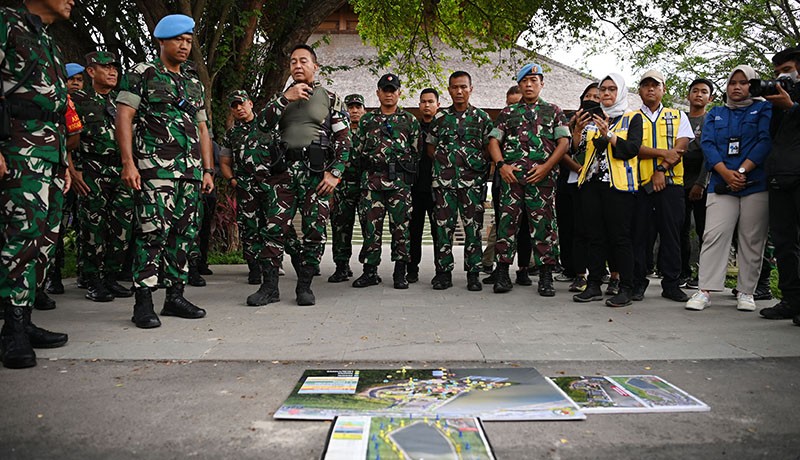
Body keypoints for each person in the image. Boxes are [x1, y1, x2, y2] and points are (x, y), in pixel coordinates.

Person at [116, 14, 215, 328]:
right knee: (152, 233)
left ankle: (175, 297)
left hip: (190, 173)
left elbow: (203, 129)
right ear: (161, 41)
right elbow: (124, 116)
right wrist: (128, 162)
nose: (184, 46)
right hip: (154, 169)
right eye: (178, 40)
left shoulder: (194, 84)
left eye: (188, 41)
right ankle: (143, 302)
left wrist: (208, 170)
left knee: (184, 236)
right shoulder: (142, 73)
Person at [0, 0, 73, 369]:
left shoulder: (47, 40)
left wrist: (64, 162)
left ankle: (24, 319)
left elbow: (55, 108)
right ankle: (11, 329)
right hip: (18, 149)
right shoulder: (6, 23)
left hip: (49, 153)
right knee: (22, 235)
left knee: (44, 240)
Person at [256, 44, 350, 305]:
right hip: (283, 173)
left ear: (315, 66)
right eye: (293, 61)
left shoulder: (329, 98)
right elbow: (260, 126)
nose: (297, 65)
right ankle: (269, 288)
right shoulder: (281, 98)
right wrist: (286, 98)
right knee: (273, 229)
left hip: (316, 174)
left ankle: (305, 287)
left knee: (314, 231)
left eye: (303, 61)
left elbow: (344, 140)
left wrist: (335, 173)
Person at [685, 65, 772, 312]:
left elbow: (765, 141)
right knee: (714, 234)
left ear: (753, 85)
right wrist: (725, 173)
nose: (737, 87)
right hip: (721, 183)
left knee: (752, 238)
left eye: (743, 82)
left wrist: (742, 171)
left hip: (754, 183)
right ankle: (705, 290)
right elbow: (708, 144)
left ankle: (746, 291)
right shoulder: (716, 113)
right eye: (733, 82)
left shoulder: (764, 109)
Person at [487, 63, 570, 295]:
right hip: (512, 180)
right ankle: (502, 272)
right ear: (520, 84)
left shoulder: (553, 111)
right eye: (524, 81)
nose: (529, 85)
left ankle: (546, 275)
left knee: (544, 227)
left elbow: (564, 142)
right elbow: (493, 141)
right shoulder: (508, 113)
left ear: (542, 84)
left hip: (542, 181)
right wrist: (501, 165)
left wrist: (547, 167)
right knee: (506, 225)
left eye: (534, 81)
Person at [572, 73, 642, 307]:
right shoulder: (594, 117)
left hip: (619, 186)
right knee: (594, 236)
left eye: (612, 89)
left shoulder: (632, 117)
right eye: (603, 89)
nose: (606, 93)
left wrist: (609, 134)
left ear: (620, 92)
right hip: (591, 184)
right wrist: (577, 131)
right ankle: (593, 285)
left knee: (620, 238)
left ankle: (626, 288)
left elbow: (632, 149)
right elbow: (578, 150)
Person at [71, 51, 135, 303]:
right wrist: (73, 169)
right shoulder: (78, 100)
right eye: (106, 67)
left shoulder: (122, 103)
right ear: (91, 71)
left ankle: (110, 277)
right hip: (91, 169)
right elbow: (67, 137)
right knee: (92, 226)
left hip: (120, 170)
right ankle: (92, 279)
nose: (112, 72)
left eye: (115, 68)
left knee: (121, 226)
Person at [351, 74, 420, 289]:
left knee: (401, 228)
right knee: (370, 228)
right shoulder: (367, 120)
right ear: (378, 93)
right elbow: (357, 151)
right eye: (385, 90)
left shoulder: (409, 121)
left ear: (399, 93)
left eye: (393, 90)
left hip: (399, 184)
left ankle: (400, 272)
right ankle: (370, 271)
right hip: (372, 183)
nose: (389, 94)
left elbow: (416, 152)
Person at [632, 70, 695, 303]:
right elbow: (631, 148)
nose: (650, 89)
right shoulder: (631, 117)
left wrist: (661, 170)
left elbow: (681, 148)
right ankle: (638, 282)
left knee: (671, 235)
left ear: (663, 89)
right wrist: (662, 153)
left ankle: (671, 284)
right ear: (639, 90)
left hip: (671, 184)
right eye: (646, 85)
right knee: (640, 235)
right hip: (639, 185)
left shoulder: (678, 116)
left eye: (655, 85)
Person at [428, 71, 493, 291]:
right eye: (455, 87)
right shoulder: (440, 118)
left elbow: (489, 148)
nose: (459, 91)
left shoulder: (482, 118)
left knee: (473, 229)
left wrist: (473, 166)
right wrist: (445, 165)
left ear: (470, 89)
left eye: (463, 87)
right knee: (443, 228)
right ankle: (443, 273)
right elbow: (430, 147)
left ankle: (473, 274)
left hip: (472, 184)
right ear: (449, 90)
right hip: (444, 184)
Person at [758, 47, 800, 323]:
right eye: (778, 72)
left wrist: (792, 107)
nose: (782, 76)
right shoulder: (777, 99)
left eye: (787, 70)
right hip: (779, 175)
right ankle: (791, 299)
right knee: (784, 241)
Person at [558, 82, 600, 293]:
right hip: (574, 181)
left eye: (596, 97)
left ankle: (599, 271)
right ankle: (576, 271)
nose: (591, 100)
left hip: (600, 182)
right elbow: (562, 150)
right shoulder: (569, 121)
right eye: (588, 96)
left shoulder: (609, 121)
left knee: (598, 229)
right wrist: (579, 168)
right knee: (575, 228)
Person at [219, 90, 263, 285]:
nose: (239, 108)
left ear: (250, 104)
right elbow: (224, 162)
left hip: (269, 187)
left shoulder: (267, 126)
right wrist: (232, 180)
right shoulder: (231, 134)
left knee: (275, 226)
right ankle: (254, 268)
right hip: (245, 188)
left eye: (241, 103)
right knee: (249, 228)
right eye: (234, 106)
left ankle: (280, 264)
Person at [328, 93, 366, 283]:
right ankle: (341, 266)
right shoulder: (337, 133)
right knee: (340, 228)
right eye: (351, 107)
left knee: (369, 229)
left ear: (364, 110)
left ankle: (369, 267)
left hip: (365, 187)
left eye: (358, 107)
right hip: (342, 187)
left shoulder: (369, 132)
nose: (354, 111)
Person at [680, 78, 714, 289]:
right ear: (688, 95)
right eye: (695, 90)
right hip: (678, 181)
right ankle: (682, 272)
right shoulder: (679, 119)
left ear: (710, 98)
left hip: (702, 181)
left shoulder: (711, 120)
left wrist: (701, 183)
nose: (698, 94)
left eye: (703, 91)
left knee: (704, 231)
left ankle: (704, 276)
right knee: (680, 229)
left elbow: (709, 154)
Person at [407, 88, 440, 284]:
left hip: (438, 189)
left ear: (438, 105)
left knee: (439, 232)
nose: (427, 105)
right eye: (423, 102)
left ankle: (441, 269)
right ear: (419, 105)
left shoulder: (444, 127)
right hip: (415, 188)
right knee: (414, 231)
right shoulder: (413, 128)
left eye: (430, 101)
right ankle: (412, 269)